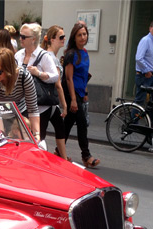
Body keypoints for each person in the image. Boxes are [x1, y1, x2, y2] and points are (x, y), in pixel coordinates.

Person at [17, 23, 60, 155]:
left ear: (33, 39)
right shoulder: (18, 55)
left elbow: (55, 76)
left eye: (24, 37)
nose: (21, 39)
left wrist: (39, 73)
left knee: (37, 139)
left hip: (39, 105)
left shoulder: (44, 56)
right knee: (21, 137)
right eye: (20, 36)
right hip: (21, 104)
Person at [63, 23, 99, 168]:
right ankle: (86, 155)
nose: (83, 37)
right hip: (70, 92)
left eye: (84, 34)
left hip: (79, 92)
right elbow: (69, 78)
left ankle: (59, 150)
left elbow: (84, 75)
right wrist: (73, 99)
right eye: (79, 35)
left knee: (68, 124)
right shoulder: (71, 54)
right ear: (74, 37)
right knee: (82, 123)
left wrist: (85, 92)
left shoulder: (84, 52)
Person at [0, 48, 40, 140]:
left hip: (20, 111)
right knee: (1, 141)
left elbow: (32, 108)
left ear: (9, 70)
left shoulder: (24, 77)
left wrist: (36, 134)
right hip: (0, 112)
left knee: (24, 140)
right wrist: (1, 135)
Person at [41, 25, 70, 160]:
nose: (64, 39)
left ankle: (63, 158)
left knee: (60, 128)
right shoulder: (50, 58)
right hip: (47, 102)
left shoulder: (51, 56)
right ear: (52, 39)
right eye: (61, 37)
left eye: (64, 36)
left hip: (50, 102)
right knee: (40, 135)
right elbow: (58, 84)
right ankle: (39, 159)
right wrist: (64, 105)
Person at [134, 20, 153, 124]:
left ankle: (151, 121)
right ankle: (133, 123)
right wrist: (147, 70)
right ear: (150, 28)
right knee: (140, 101)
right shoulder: (145, 40)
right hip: (144, 76)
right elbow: (138, 58)